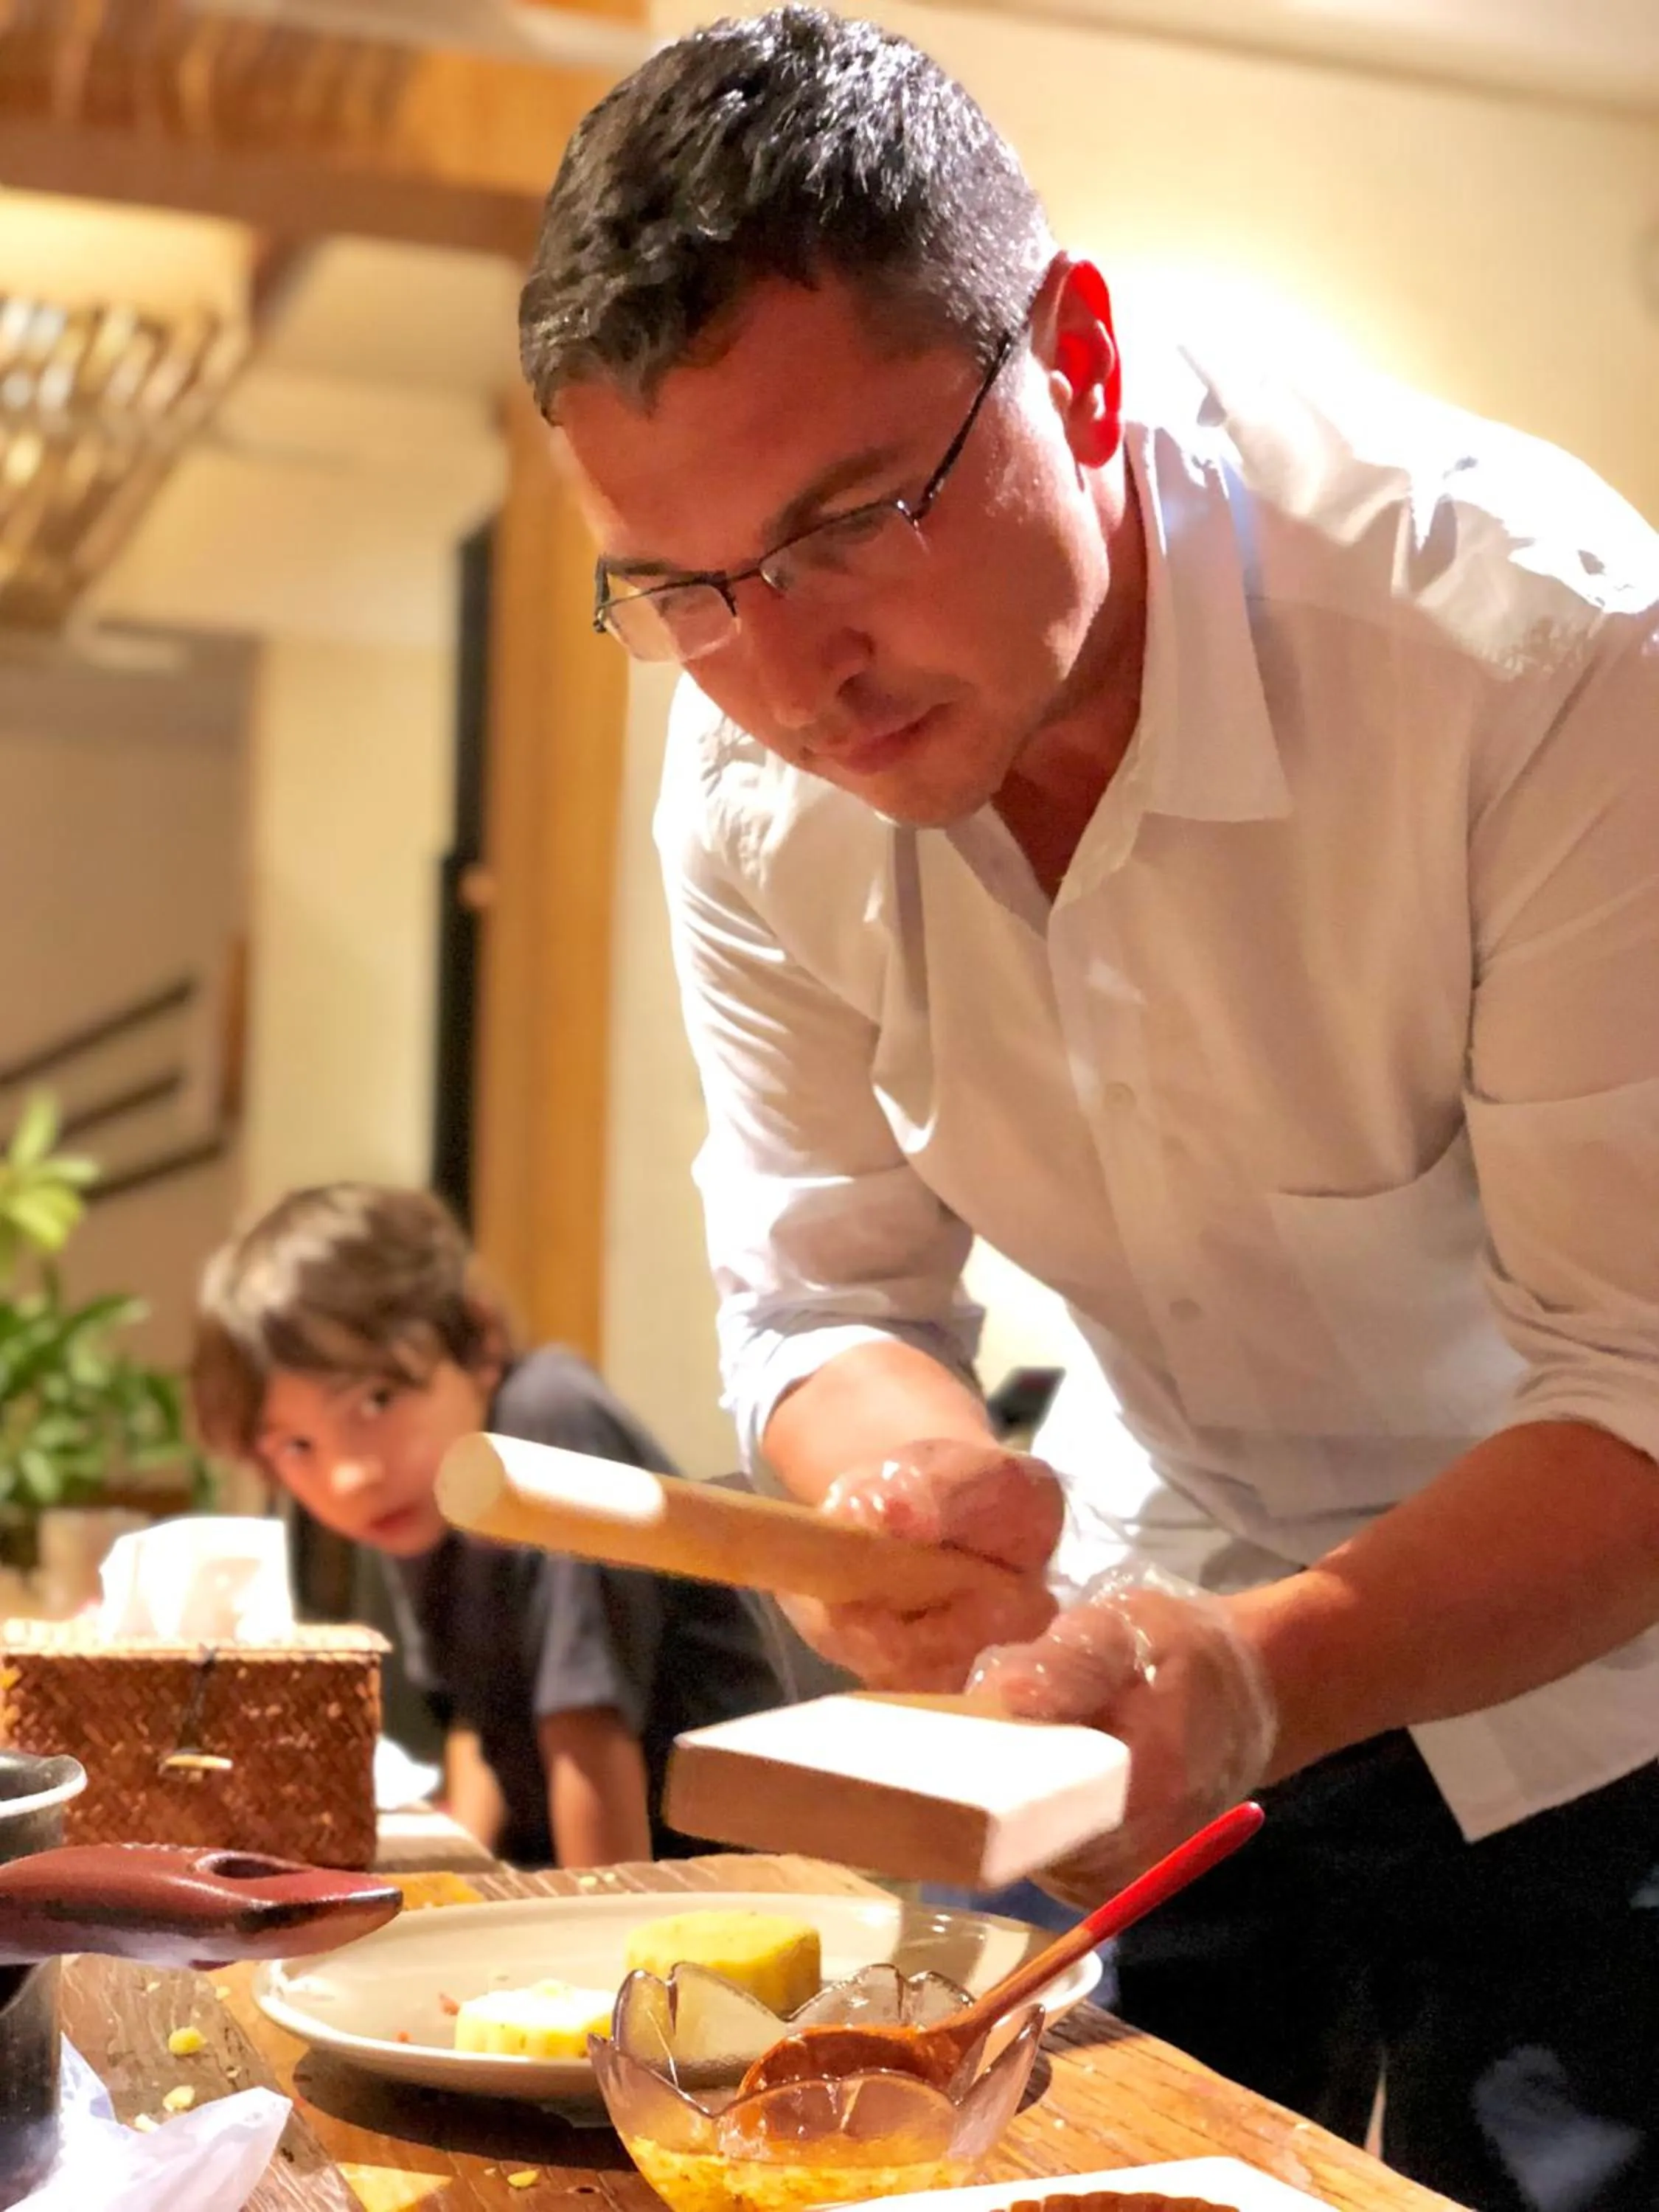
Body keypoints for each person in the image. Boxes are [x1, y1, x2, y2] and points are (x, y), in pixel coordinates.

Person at [512, 10, 1659, 2205]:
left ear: (1086, 367)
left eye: (845, 524)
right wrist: (903, 1485)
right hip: (1172, 1618)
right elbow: (819, 1284)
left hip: (1611, 1675)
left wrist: (1246, 1676)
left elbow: (1646, 1390)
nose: (785, 673)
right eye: (680, 589)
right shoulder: (752, 768)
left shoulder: (1542, 654)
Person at [190, 1182, 792, 1869]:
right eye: (297, 1447)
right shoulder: (424, 1494)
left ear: (479, 1341)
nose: (349, 1477)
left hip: (724, 1884)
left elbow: (590, 1733)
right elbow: (479, 1721)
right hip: (596, 1868)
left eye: (376, 1399)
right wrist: (461, 1874)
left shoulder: (546, 1425)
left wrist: (589, 1950)